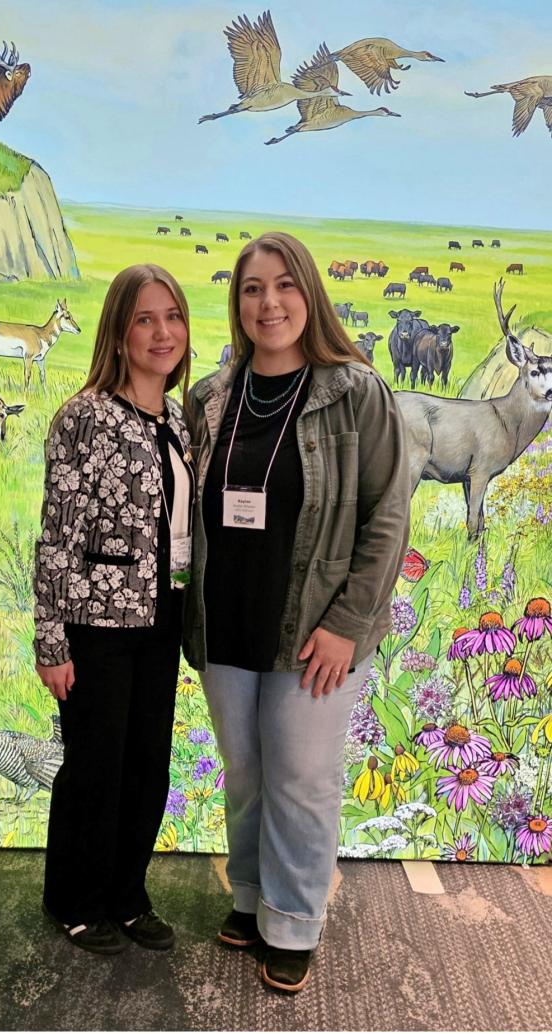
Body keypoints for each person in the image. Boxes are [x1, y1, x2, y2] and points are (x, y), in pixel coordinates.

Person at [184, 232, 410, 993]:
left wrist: (349, 624)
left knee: (304, 778)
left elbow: (388, 518)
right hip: (227, 624)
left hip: (315, 628)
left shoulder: (356, 393)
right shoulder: (212, 398)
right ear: (237, 302)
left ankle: (294, 921)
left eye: (283, 286)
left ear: (309, 294)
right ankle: (251, 899)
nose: (268, 302)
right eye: (252, 289)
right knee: (246, 773)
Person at [34, 264, 194, 955]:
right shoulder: (84, 416)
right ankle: (74, 899)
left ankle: (128, 896)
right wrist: (51, 641)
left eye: (173, 316)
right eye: (145, 319)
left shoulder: (180, 420)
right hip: (95, 628)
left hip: (162, 622)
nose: (163, 332)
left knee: (146, 767)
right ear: (119, 334)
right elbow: (57, 534)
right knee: (95, 768)